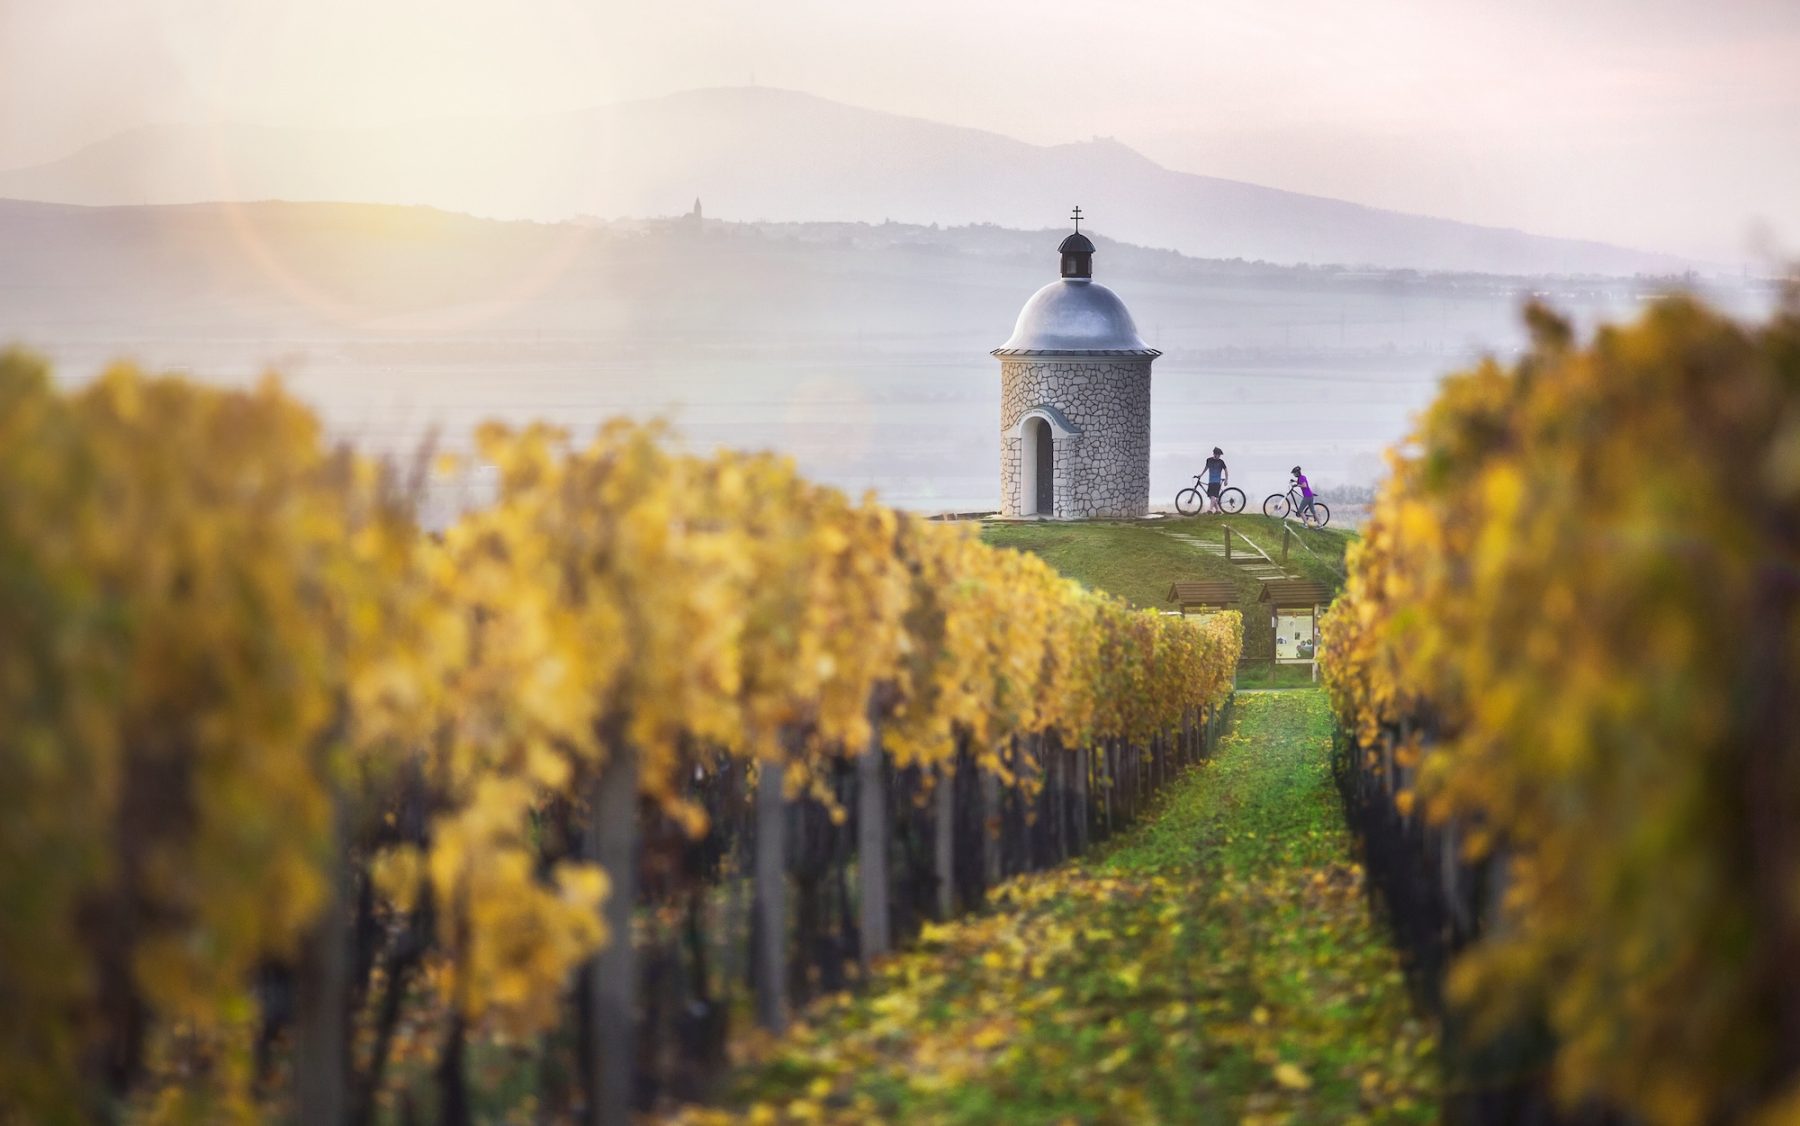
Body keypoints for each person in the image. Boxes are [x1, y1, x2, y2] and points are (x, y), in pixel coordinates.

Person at [1203, 447, 1229, 513]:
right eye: (1218, 454)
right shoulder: (1209, 460)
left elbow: (1226, 470)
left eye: (1220, 455)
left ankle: (1210, 510)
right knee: (1211, 496)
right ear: (1214, 454)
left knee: (1212, 495)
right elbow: (1206, 468)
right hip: (1211, 481)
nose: (1219, 456)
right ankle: (1217, 510)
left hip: (1217, 481)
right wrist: (1200, 475)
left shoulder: (1221, 462)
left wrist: (1226, 479)